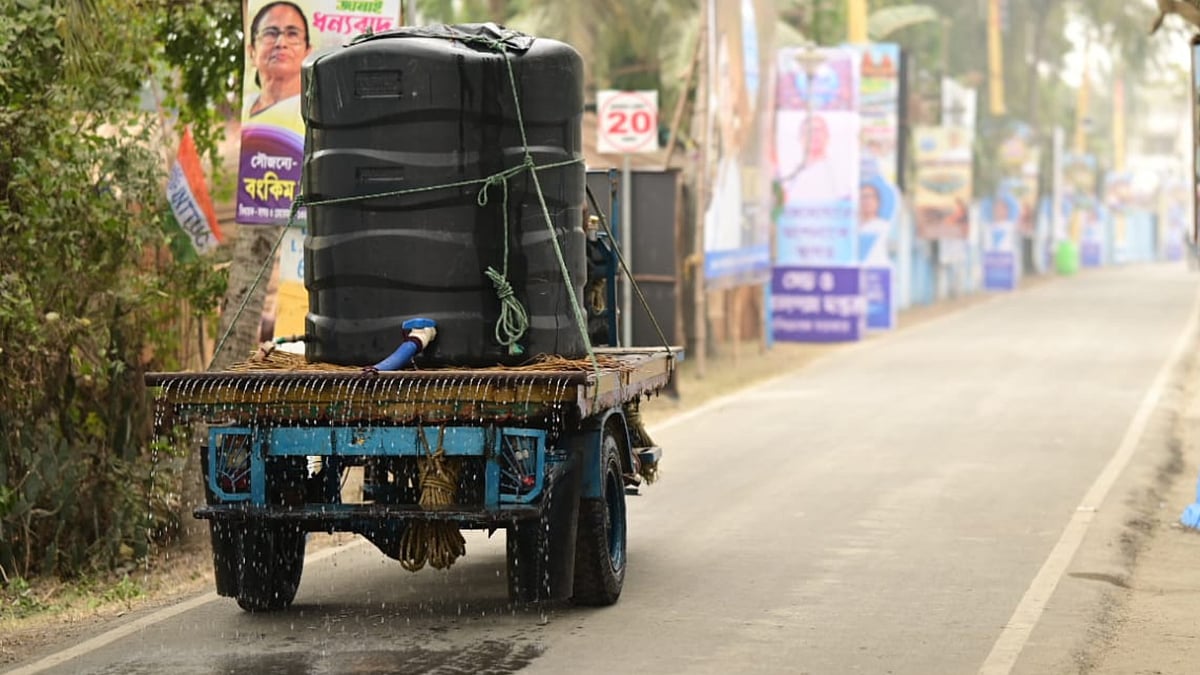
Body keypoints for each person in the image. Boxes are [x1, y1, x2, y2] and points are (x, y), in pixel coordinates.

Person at [243, 2, 312, 121]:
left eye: (292, 34)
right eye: (270, 33)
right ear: (251, 52)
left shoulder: (316, 112)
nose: (281, 43)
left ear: (308, 52)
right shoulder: (246, 105)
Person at [858, 181, 891, 267]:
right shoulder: (851, 228)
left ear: (878, 202)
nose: (867, 201)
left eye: (870, 197)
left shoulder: (884, 227)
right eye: (863, 197)